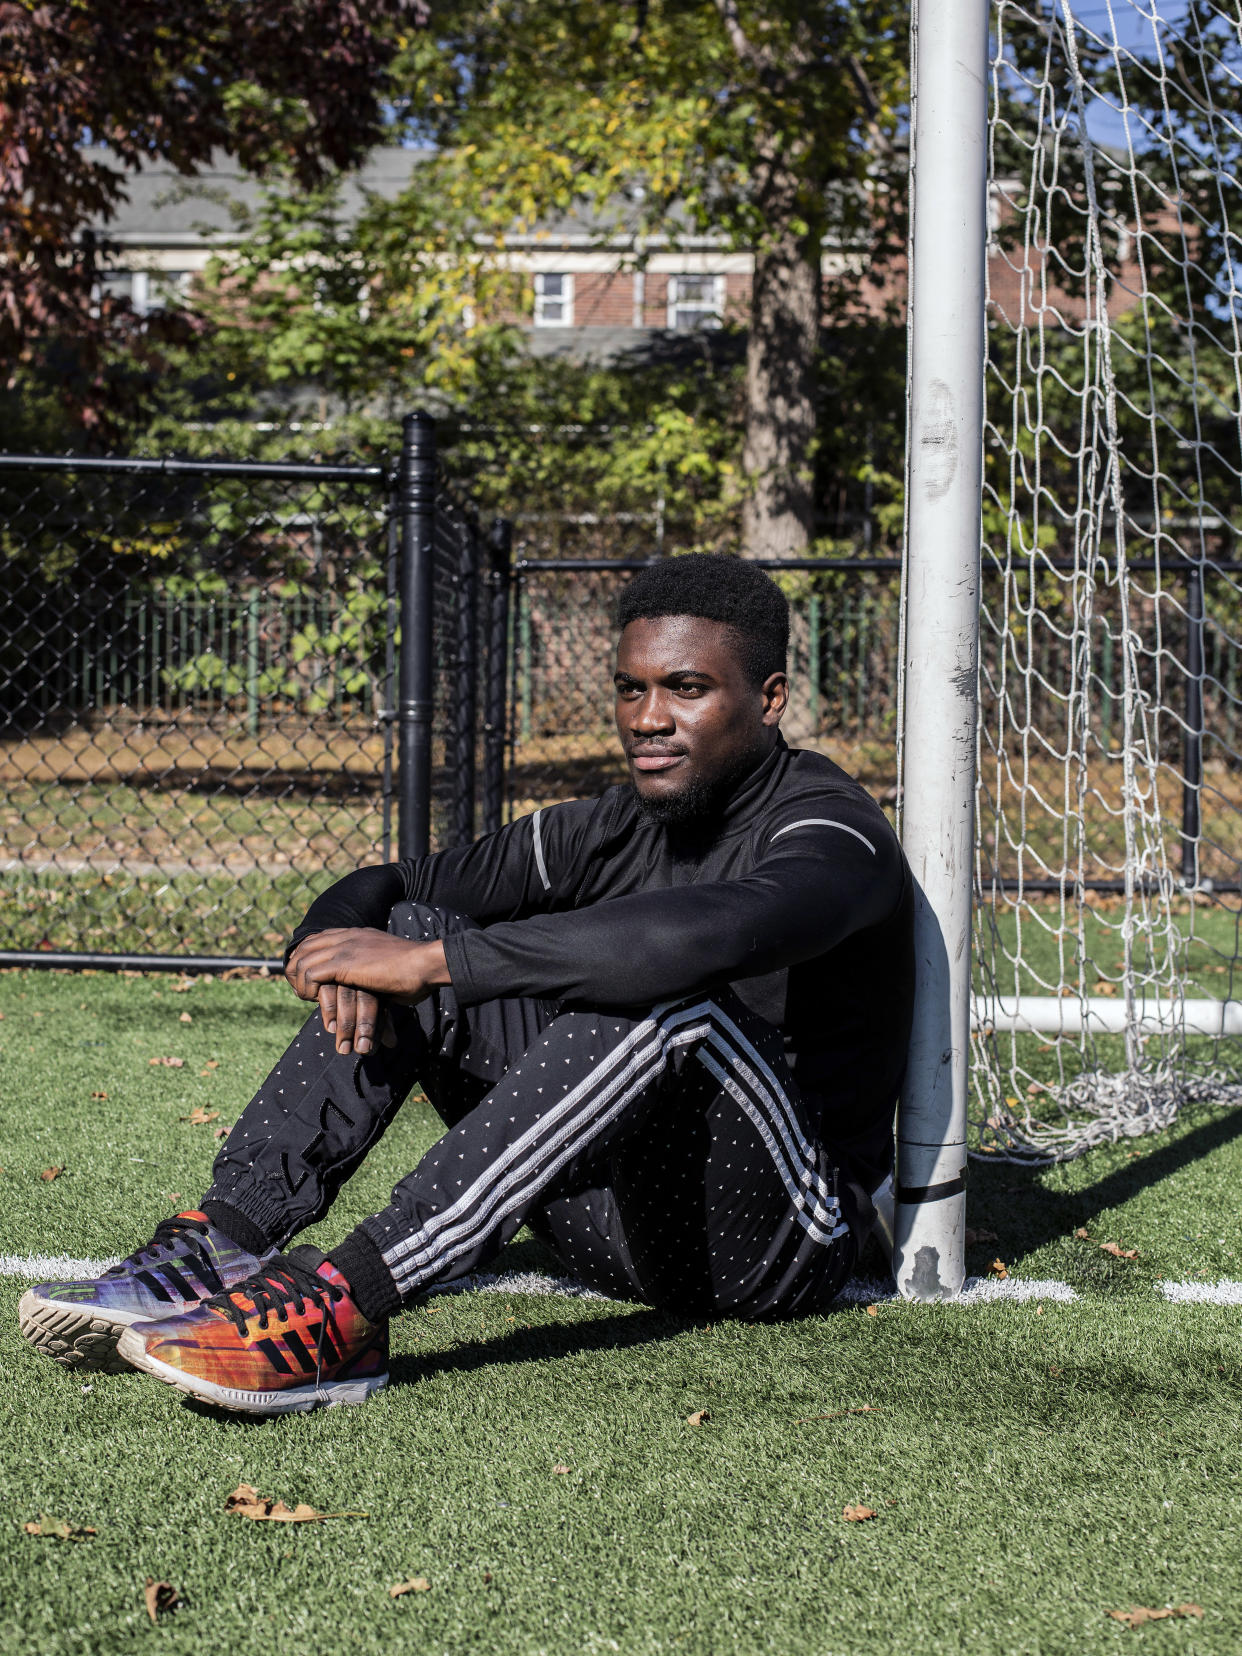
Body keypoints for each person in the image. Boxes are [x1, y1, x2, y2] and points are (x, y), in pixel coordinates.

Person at [19, 553, 914, 1416]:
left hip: (776, 1239)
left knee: (661, 991)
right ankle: (226, 1239)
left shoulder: (833, 826)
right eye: (629, 688)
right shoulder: (613, 823)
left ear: (769, 698)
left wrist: (439, 966)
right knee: (408, 932)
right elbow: (394, 888)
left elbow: (721, 929)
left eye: (686, 689)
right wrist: (333, 950)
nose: (647, 717)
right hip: (605, 1224)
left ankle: (347, 1300)